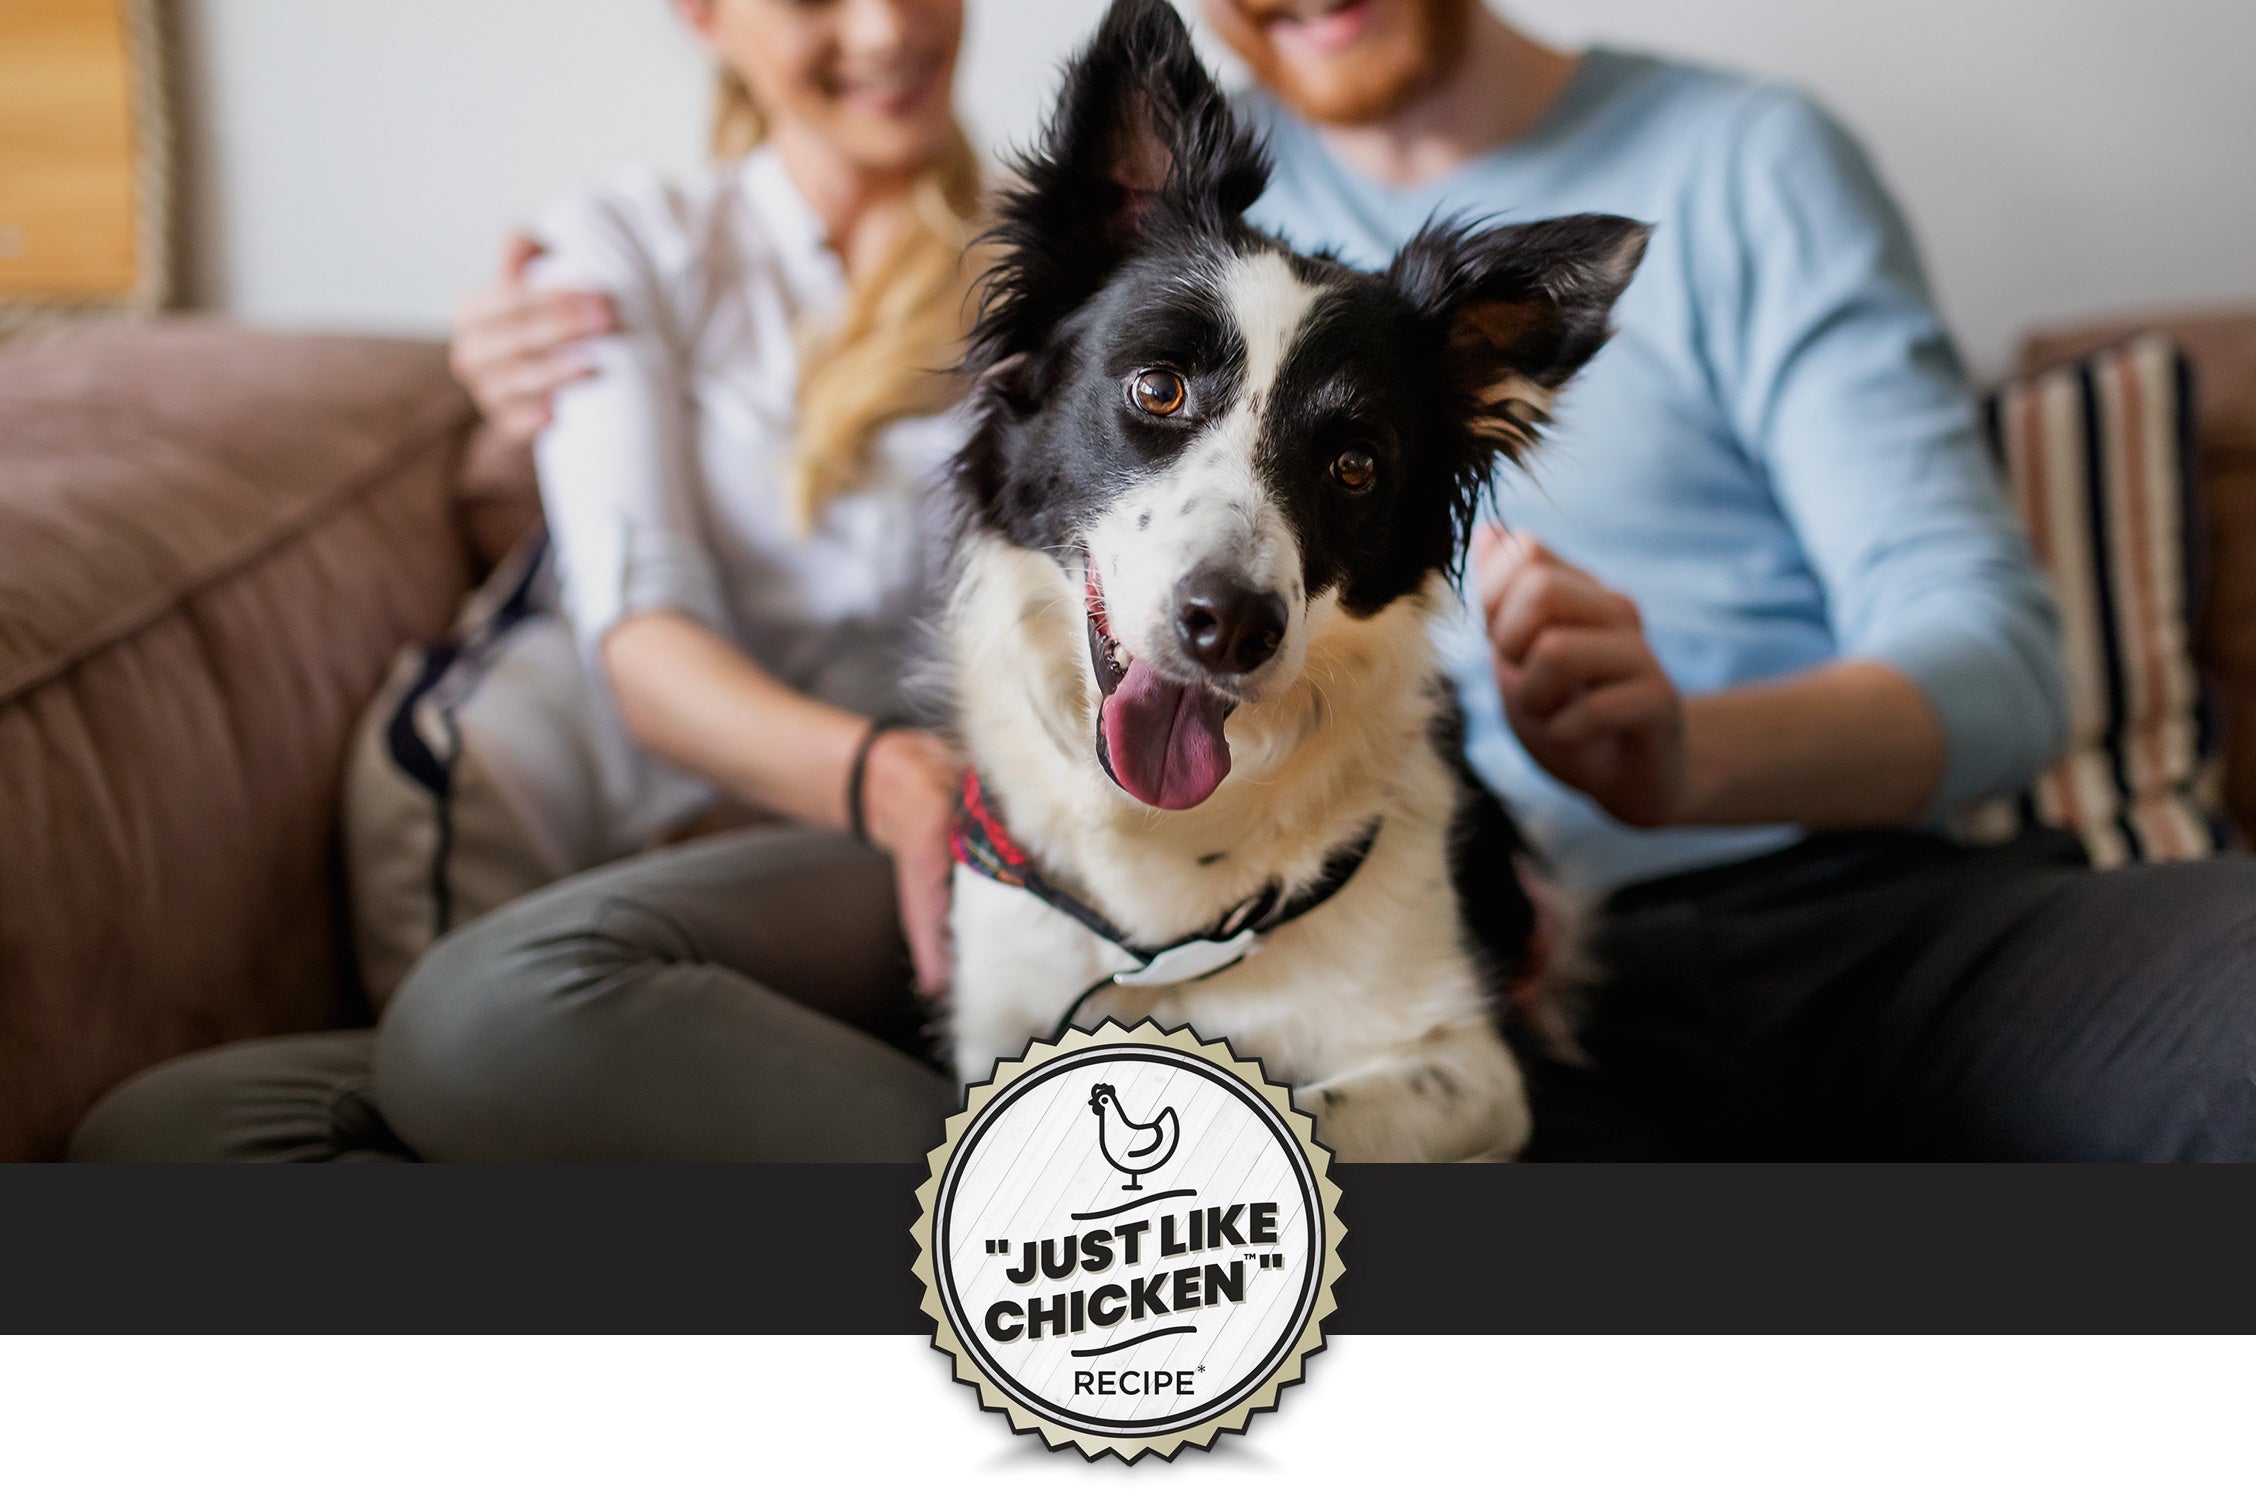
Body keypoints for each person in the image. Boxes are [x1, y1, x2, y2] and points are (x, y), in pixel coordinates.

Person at [70, 0, 983, 1162]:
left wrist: (905, 784)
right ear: (705, 16)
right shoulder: (627, 244)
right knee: (165, 1133)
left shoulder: (1071, 262)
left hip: (907, 847)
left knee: (489, 1019)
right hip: (765, 839)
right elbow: (646, 648)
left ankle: (1034, 1219)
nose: (886, 27)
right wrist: (882, 776)